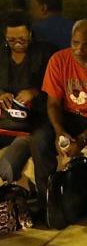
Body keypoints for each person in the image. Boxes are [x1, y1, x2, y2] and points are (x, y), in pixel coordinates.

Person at [32, 20, 87, 210]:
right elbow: (53, 103)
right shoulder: (58, 60)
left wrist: (82, 139)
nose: (79, 49)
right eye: (75, 43)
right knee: (40, 138)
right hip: (70, 115)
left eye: (86, 44)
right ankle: (47, 199)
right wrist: (59, 131)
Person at [0, 11, 54, 184]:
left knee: (39, 142)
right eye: (11, 40)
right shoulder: (2, 55)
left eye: (22, 39)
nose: (17, 44)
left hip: (39, 119)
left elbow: (57, 89)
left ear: (30, 33)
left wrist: (35, 92)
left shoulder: (45, 52)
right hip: (6, 119)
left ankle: (45, 200)